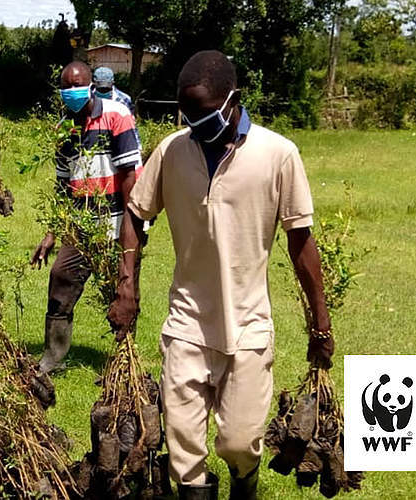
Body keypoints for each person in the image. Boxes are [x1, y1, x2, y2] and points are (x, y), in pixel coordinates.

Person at [107, 50, 335, 499]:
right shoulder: (173, 150)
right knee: (183, 450)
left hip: (247, 327)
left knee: (238, 443)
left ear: (235, 100)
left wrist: (320, 322)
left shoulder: (278, 154)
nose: (197, 126)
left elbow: (301, 243)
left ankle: (244, 484)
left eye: (206, 115)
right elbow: (135, 213)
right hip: (186, 322)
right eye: (188, 116)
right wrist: (127, 285)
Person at [31, 61, 143, 375]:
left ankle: (125, 363)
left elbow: (130, 178)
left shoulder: (116, 115)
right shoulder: (63, 129)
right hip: (80, 224)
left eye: (77, 85)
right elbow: (63, 185)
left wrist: (132, 230)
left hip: (117, 221)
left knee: (122, 290)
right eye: (66, 88)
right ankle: (53, 356)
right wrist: (52, 233)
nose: (72, 92)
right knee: (60, 279)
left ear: (91, 86)